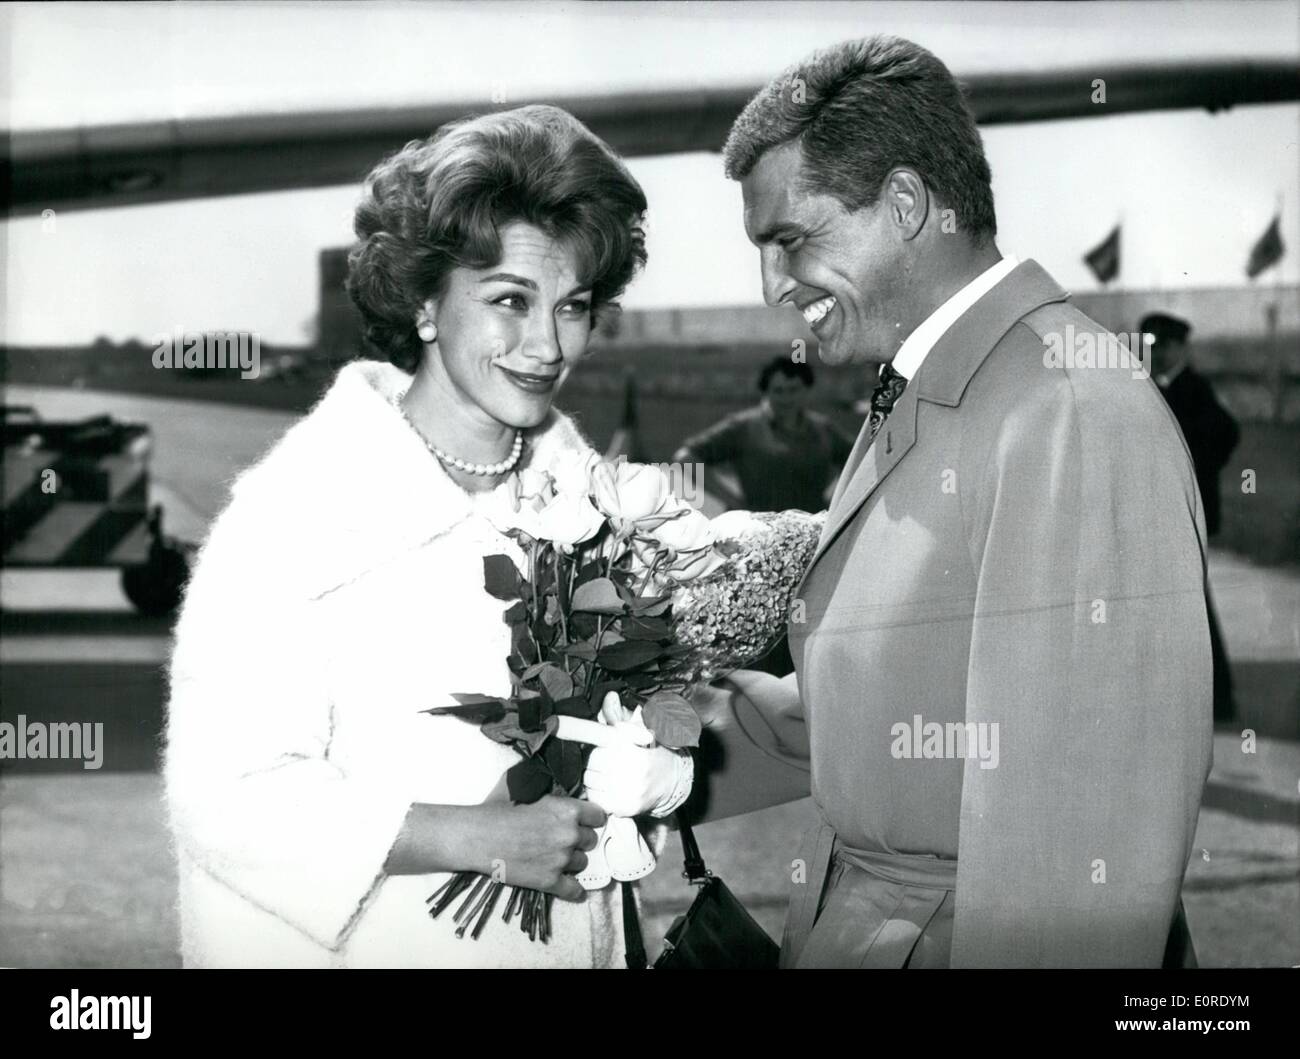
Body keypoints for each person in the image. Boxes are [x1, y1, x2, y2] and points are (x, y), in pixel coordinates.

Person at [690, 35, 1212, 968]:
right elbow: (891, 708)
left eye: (792, 239)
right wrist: (635, 755)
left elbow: (1077, 856)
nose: (772, 286)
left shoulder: (1069, 411)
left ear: (904, 204)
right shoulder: (938, 385)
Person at [164, 105, 692, 968]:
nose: (546, 344)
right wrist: (473, 837)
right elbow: (222, 796)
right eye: (509, 301)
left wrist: (651, 769)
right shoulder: (292, 511)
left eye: (575, 306)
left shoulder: (596, 501)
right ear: (422, 304)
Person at [1145, 311, 1241, 721]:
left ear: (1182, 347)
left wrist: (1189, 466)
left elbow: (1226, 432)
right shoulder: (1152, 387)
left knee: (1192, 604)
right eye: (1152, 346)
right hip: (1162, 511)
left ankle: (1218, 697)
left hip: (1187, 511)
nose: (1160, 354)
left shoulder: (1193, 388)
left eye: (1165, 345)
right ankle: (1188, 692)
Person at [673, 356, 855, 514]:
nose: (786, 398)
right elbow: (686, 458)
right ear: (765, 392)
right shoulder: (743, 427)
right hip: (760, 532)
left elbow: (857, 458)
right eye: (778, 391)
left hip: (813, 530)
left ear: (806, 390)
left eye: (793, 390)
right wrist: (733, 502)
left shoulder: (822, 428)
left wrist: (836, 499)